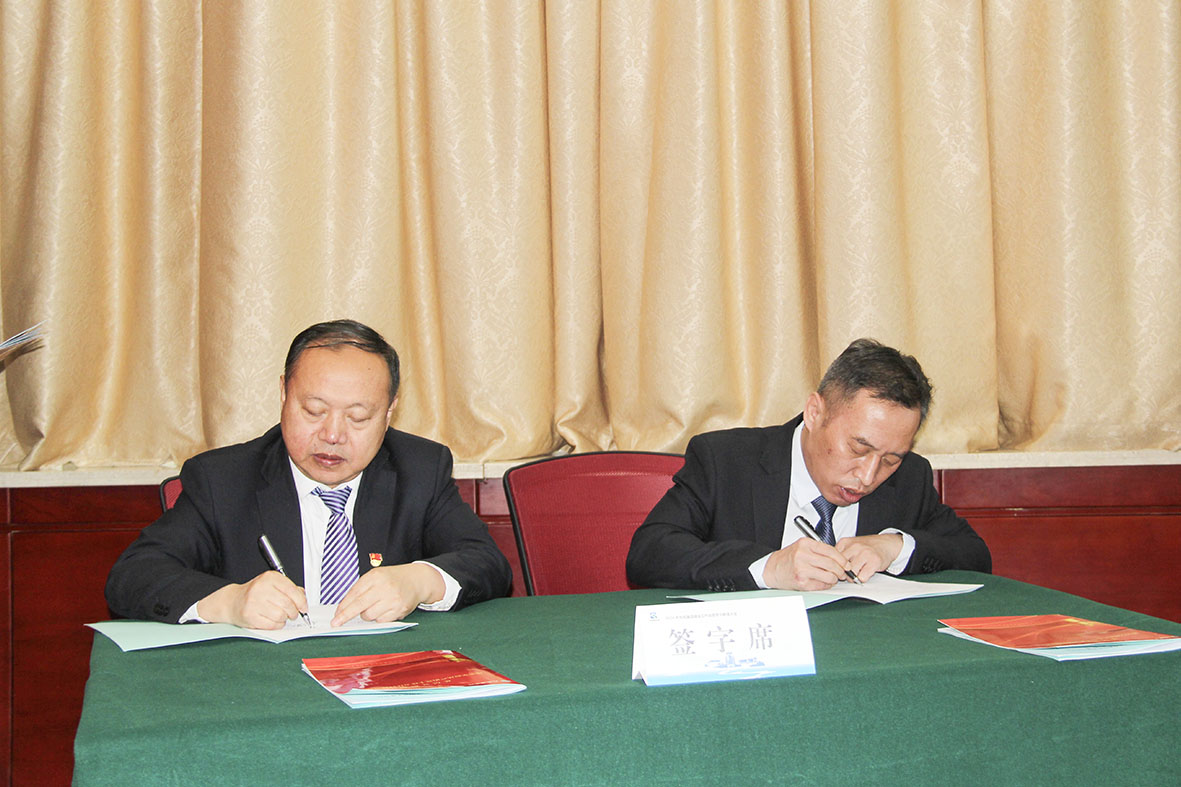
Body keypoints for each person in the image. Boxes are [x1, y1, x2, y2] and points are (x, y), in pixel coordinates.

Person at [106, 319, 511, 628]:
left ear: (389, 412)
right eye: (314, 411)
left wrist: (420, 581)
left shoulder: (419, 468)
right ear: (284, 393)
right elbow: (132, 576)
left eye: (358, 417)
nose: (332, 435)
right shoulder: (223, 479)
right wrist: (229, 602)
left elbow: (487, 562)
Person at [626, 338, 990, 592]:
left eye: (890, 459)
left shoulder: (909, 477)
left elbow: (975, 554)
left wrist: (893, 548)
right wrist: (769, 568)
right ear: (815, 413)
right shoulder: (727, 461)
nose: (868, 476)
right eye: (858, 447)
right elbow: (650, 553)